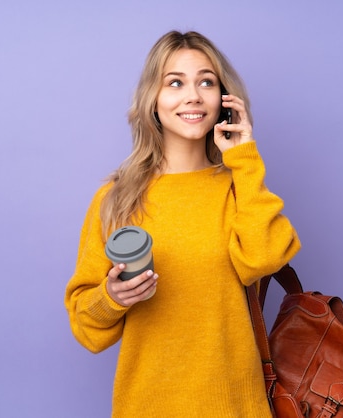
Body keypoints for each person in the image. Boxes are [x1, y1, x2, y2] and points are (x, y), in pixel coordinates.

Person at [65, 30, 301, 417]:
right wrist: (112, 299)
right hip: (147, 405)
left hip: (237, 406)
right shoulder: (116, 198)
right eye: (175, 82)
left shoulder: (240, 187)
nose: (192, 95)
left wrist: (243, 158)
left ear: (224, 100)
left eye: (206, 82)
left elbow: (262, 259)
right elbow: (87, 328)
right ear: (152, 100)